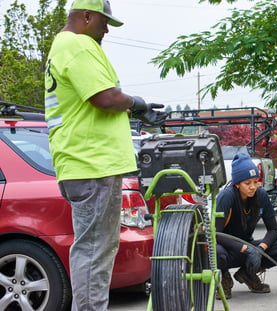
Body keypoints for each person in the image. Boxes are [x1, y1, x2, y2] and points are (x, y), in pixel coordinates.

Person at [44, 1, 160, 310]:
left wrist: (134, 109)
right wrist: (137, 103)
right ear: (86, 16)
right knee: (95, 251)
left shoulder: (64, 45)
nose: (106, 30)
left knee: (92, 249)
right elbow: (104, 97)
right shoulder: (78, 45)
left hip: (82, 162)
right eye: (103, 22)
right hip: (93, 163)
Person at [215, 153, 277, 299]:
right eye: (247, 183)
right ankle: (224, 277)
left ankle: (248, 273)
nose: (252, 187)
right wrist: (245, 249)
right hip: (228, 249)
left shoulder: (261, 195)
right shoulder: (227, 196)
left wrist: (260, 249)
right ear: (237, 183)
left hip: (249, 248)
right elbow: (216, 234)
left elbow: (273, 230)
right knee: (216, 252)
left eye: (255, 182)